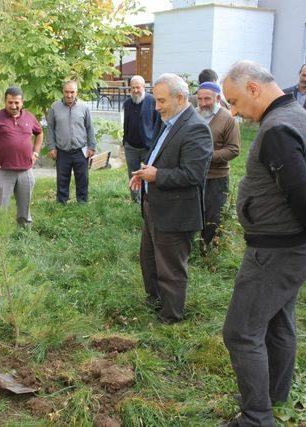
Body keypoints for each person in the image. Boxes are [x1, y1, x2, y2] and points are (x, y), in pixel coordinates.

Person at [220, 60, 306, 427]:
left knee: (241, 331)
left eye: (233, 100)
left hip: (277, 250)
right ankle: (273, 395)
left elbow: (298, 190)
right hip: (288, 246)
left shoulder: (278, 127)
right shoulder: (298, 115)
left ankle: (256, 418)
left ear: (252, 89)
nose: (233, 111)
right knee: (277, 322)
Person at [129, 73, 212, 323]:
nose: (157, 107)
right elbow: (160, 157)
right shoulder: (169, 122)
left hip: (176, 213)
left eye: (162, 101)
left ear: (180, 97)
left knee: (171, 269)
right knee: (150, 261)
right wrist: (145, 174)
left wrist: (157, 176)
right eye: (156, 100)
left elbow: (194, 174)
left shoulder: (195, 127)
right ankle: (155, 304)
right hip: (155, 206)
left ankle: (171, 319)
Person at [0, 86, 43, 225]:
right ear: (5, 101)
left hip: (26, 170)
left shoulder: (29, 117)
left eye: (17, 102)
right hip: (2, 170)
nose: (13, 106)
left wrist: (36, 152)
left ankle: (24, 234)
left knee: (25, 207)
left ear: (22, 102)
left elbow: (39, 133)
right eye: (10, 102)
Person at [195, 82, 240, 248]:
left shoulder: (228, 119)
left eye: (207, 99)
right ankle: (194, 247)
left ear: (218, 98)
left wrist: (208, 157)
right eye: (199, 99)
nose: (203, 103)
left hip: (216, 178)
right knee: (195, 212)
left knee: (213, 216)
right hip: (194, 174)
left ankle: (209, 253)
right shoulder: (195, 115)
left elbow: (234, 149)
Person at [47, 81, 96, 204]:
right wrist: (52, 147)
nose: (69, 95)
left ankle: (83, 202)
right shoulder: (54, 107)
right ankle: (61, 202)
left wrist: (92, 147)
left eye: (72, 92)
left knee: (82, 178)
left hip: (80, 150)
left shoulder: (84, 107)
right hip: (62, 151)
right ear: (63, 92)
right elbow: (50, 129)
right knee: (62, 179)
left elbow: (90, 127)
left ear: (76, 92)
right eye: (66, 92)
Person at [123, 75, 161, 203]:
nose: (135, 90)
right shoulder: (127, 103)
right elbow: (126, 124)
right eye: (132, 88)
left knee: (148, 174)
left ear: (143, 87)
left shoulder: (152, 101)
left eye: (137, 87)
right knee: (133, 174)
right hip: (131, 147)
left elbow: (158, 123)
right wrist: (125, 141)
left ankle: (148, 199)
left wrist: (155, 143)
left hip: (148, 147)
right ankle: (135, 200)